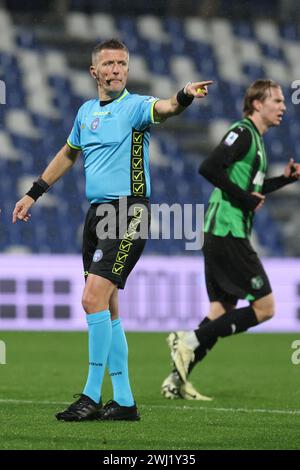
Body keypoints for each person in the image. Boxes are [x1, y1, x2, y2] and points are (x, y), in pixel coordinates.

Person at [13, 39, 213, 421]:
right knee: (108, 306)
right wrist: (34, 193)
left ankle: (90, 395)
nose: (117, 69)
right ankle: (123, 401)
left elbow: (166, 108)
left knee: (91, 299)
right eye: (109, 63)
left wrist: (184, 95)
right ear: (95, 72)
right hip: (97, 215)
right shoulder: (86, 112)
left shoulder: (135, 107)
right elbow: (69, 153)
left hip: (127, 212)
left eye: (122, 63)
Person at [162, 79, 300, 400]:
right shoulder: (242, 133)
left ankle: (175, 381)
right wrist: (244, 199)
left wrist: (285, 180)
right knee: (264, 308)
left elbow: (253, 191)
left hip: (222, 231)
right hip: (227, 231)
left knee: (220, 311)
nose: (283, 106)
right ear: (256, 104)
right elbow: (209, 167)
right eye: (276, 101)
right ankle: (189, 340)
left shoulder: (257, 143)